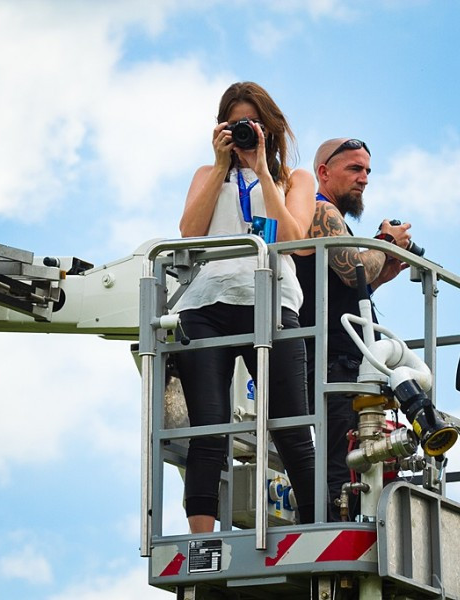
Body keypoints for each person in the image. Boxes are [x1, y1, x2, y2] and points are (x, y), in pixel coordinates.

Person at [174, 82, 316, 533]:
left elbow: (295, 241)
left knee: (292, 427)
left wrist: (263, 172)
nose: (242, 132)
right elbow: (190, 234)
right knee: (208, 428)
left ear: (269, 128)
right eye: (233, 123)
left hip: (272, 303)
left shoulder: (296, 179)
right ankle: (202, 541)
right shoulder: (206, 173)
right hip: (207, 304)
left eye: (250, 123)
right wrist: (221, 166)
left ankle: (313, 530)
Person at [293, 137, 413, 521]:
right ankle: (328, 532)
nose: (363, 179)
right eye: (354, 169)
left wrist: (383, 274)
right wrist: (383, 242)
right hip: (331, 361)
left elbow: (347, 286)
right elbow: (351, 271)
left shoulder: (334, 220)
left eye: (367, 171)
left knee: (352, 461)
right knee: (339, 463)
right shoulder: (319, 211)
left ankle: (338, 526)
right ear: (324, 172)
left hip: (345, 359)